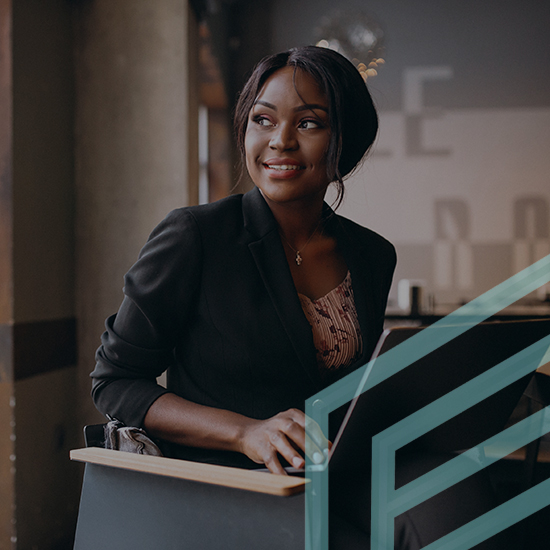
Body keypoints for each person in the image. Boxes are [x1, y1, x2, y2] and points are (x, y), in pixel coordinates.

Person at [91, 46, 509, 549]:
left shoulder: (371, 254)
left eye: (309, 124)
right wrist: (245, 432)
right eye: (262, 120)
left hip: (337, 466)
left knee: (459, 498)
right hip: (233, 477)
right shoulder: (194, 237)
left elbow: (355, 389)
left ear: (344, 140)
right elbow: (115, 382)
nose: (280, 141)